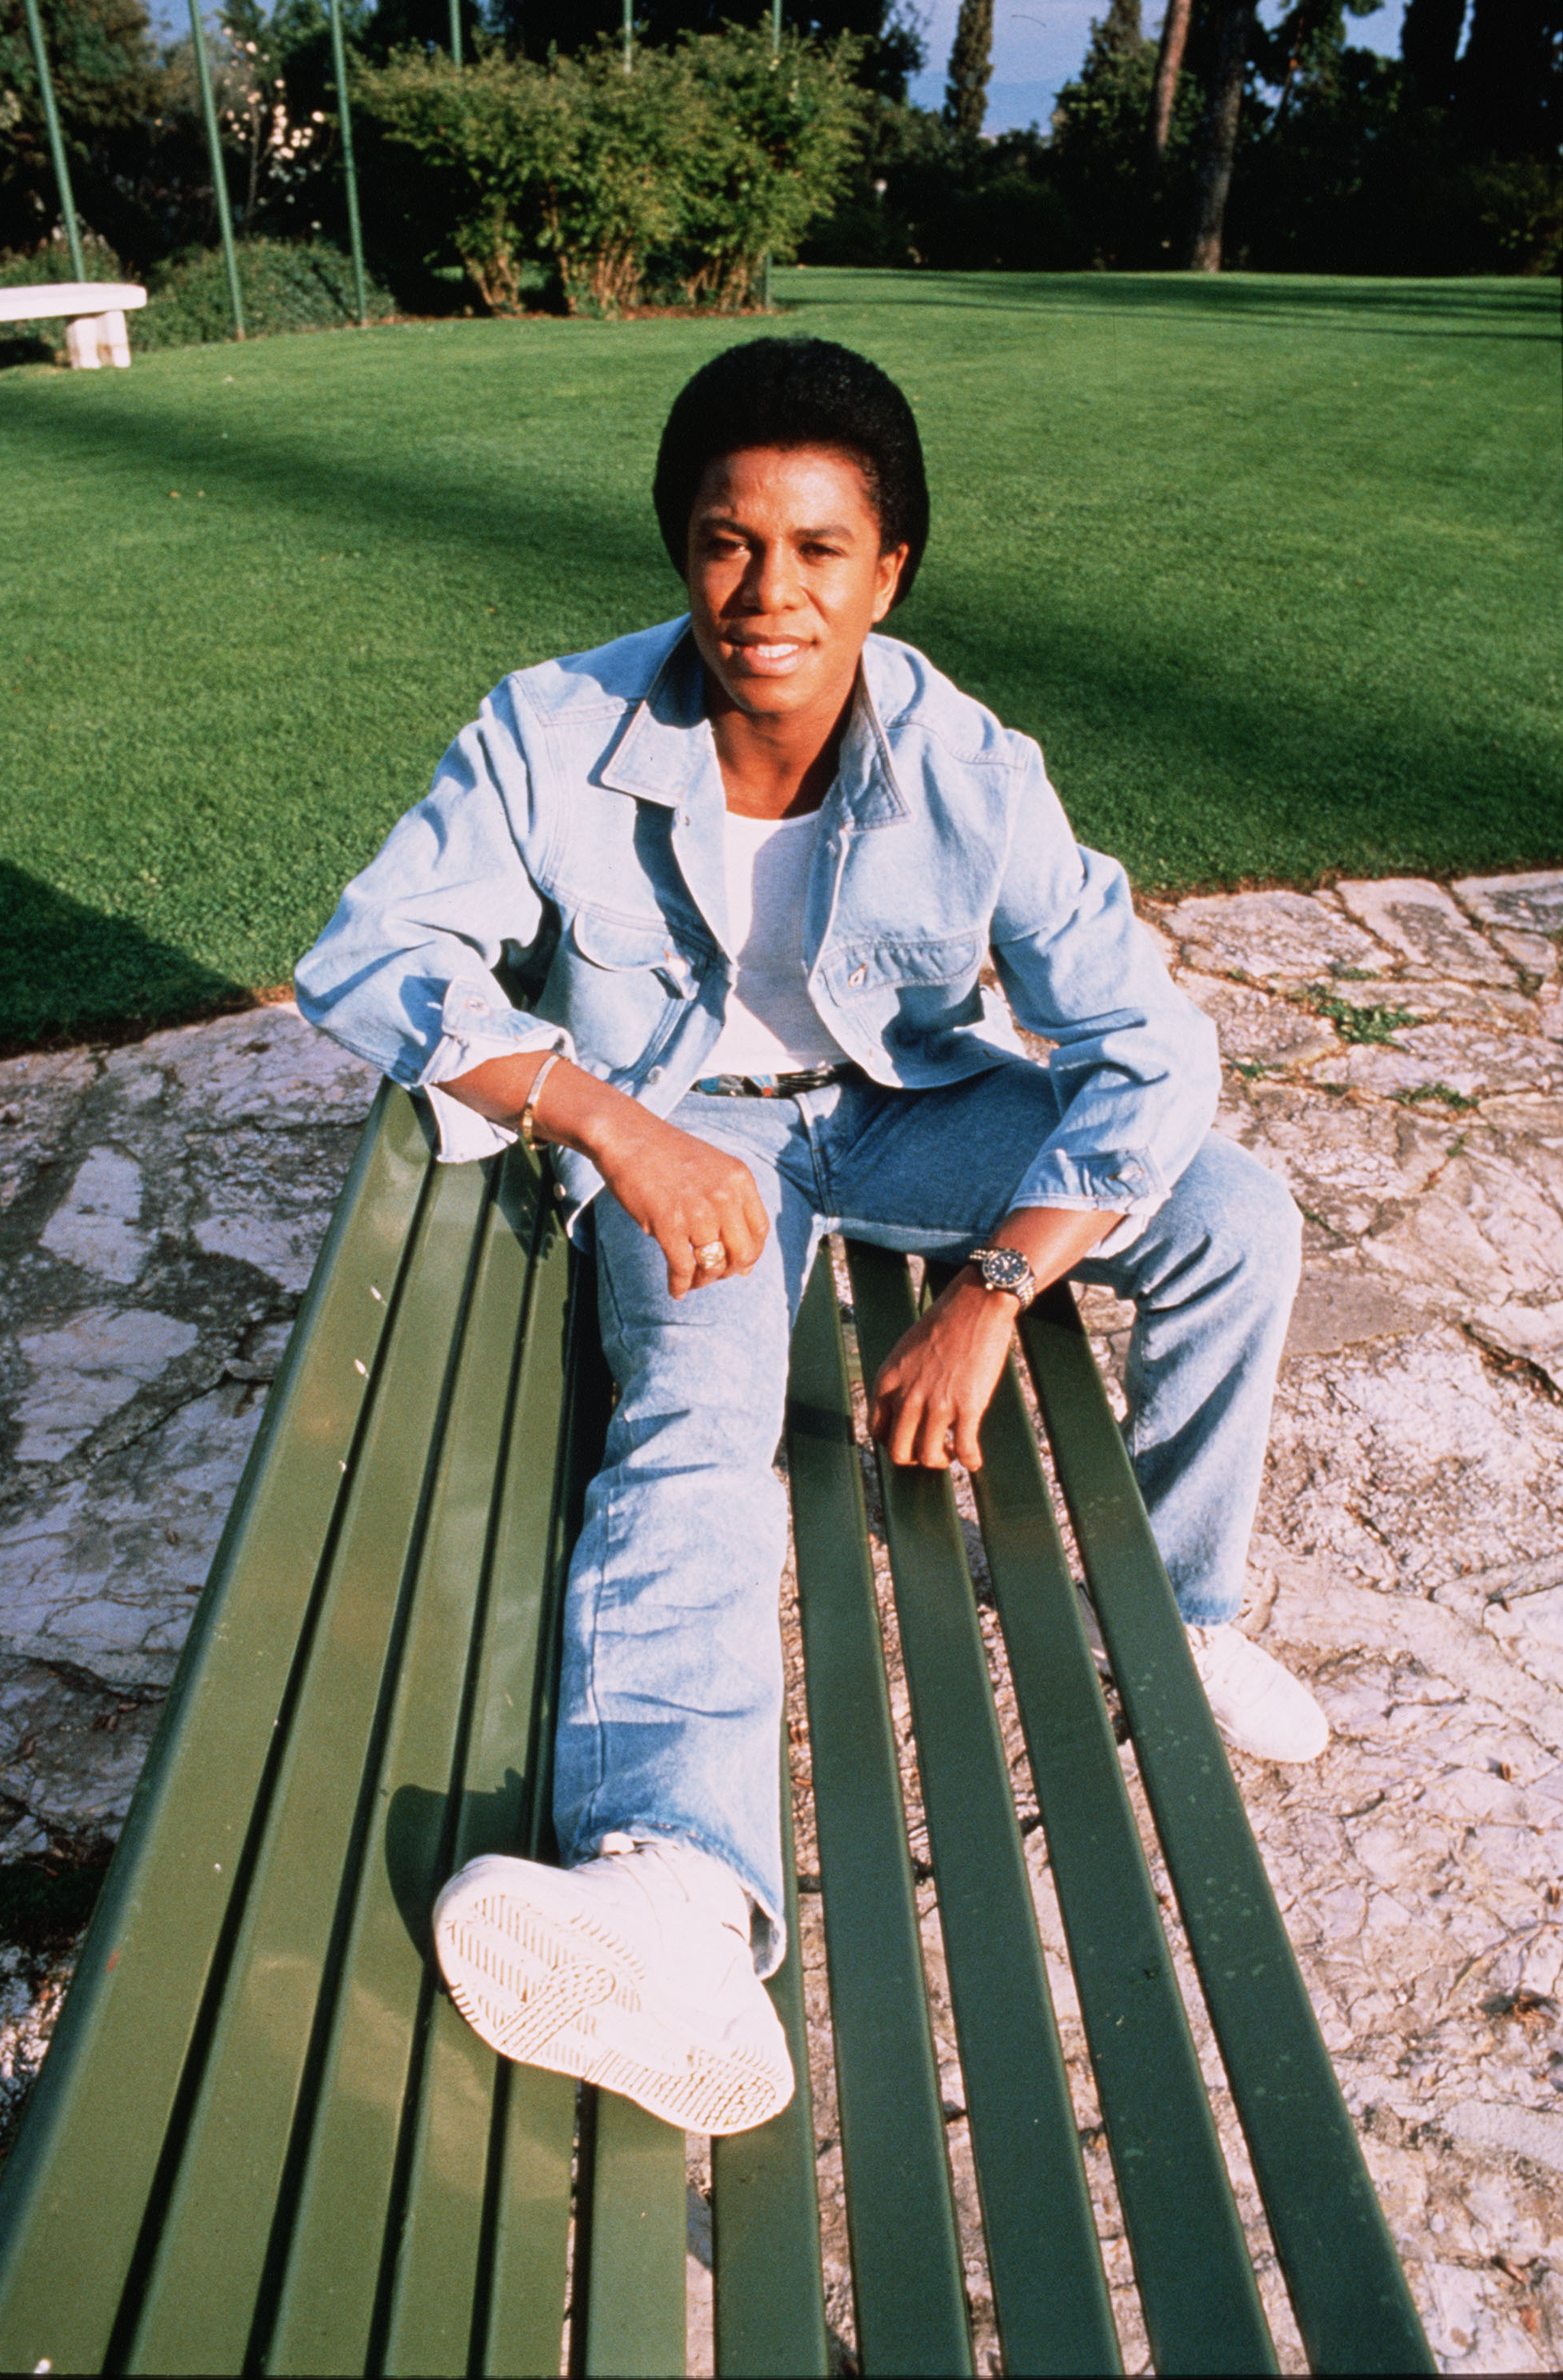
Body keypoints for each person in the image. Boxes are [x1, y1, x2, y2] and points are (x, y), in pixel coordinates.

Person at [295, 336, 1325, 2142]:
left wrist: (999, 1282)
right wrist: (614, 1125)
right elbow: (373, 954)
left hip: (902, 1107)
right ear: (678, 546)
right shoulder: (549, 726)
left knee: (1235, 1207)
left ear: (890, 568)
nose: (766, 595)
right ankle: (679, 1898)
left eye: (819, 549)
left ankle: (1176, 1607)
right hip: (686, 1126)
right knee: (698, 1401)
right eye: (723, 541)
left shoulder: (971, 768)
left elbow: (1143, 1045)